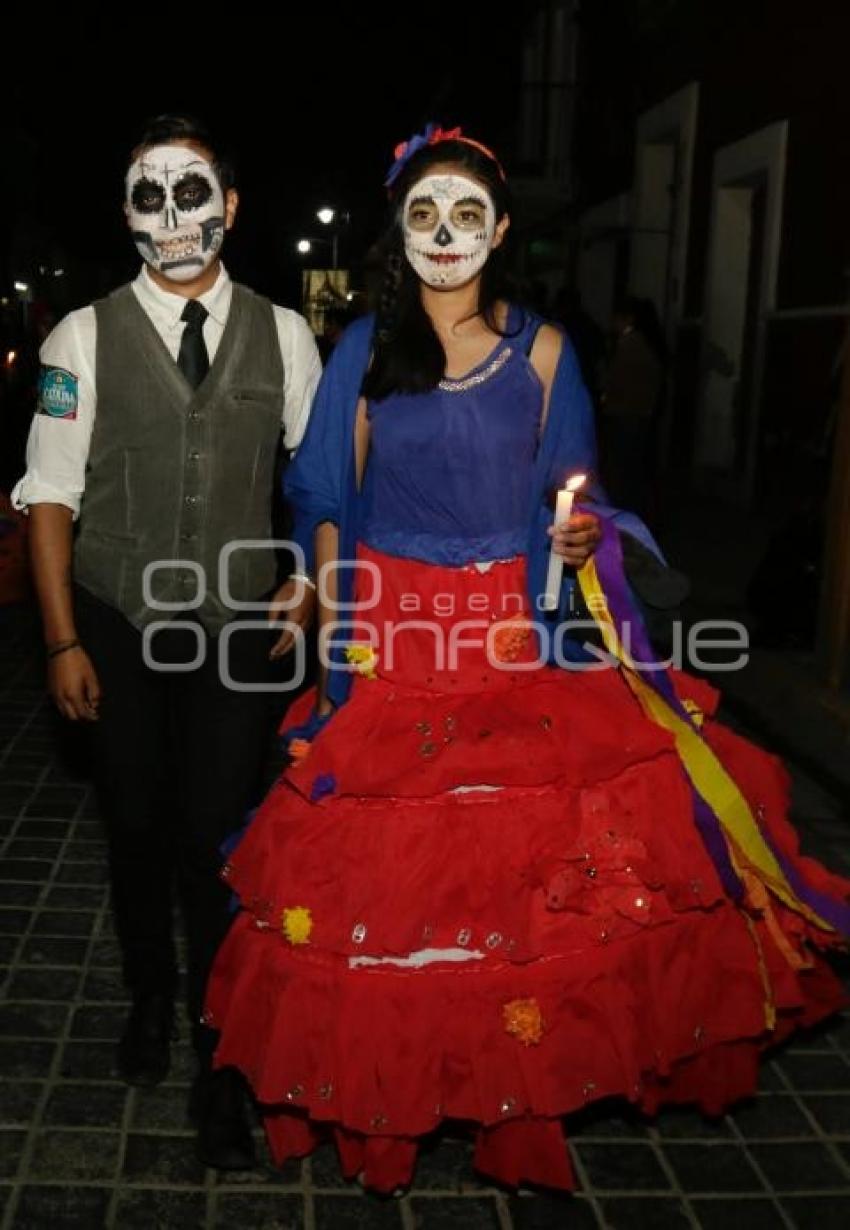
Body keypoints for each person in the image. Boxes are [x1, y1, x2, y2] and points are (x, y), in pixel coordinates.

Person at [205, 125, 850, 1193]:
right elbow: (324, 493)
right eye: (423, 214)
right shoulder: (365, 347)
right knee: (395, 879)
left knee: (514, 889)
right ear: (399, 233)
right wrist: (322, 589)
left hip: (512, 635)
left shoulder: (547, 352)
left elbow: (577, 497)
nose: (444, 234)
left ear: (499, 231)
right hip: (399, 639)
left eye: (466, 214)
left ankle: (509, 1081)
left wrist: (578, 535)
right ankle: (404, 1084)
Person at [12, 113, 321, 1170]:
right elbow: (48, 499)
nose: (173, 216)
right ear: (128, 213)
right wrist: (60, 643)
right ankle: (149, 992)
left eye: (194, 194)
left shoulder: (284, 334)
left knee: (214, 838)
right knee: (136, 825)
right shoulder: (79, 338)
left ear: (230, 208)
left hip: (235, 628)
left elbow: (318, 482)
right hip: (118, 619)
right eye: (150, 196)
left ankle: (219, 1055)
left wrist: (316, 581)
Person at [600, 294, 666, 516]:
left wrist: (606, 396)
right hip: (639, 415)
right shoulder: (645, 344)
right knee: (634, 470)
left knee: (624, 472)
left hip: (626, 416)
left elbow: (616, 381)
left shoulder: (630, 345)